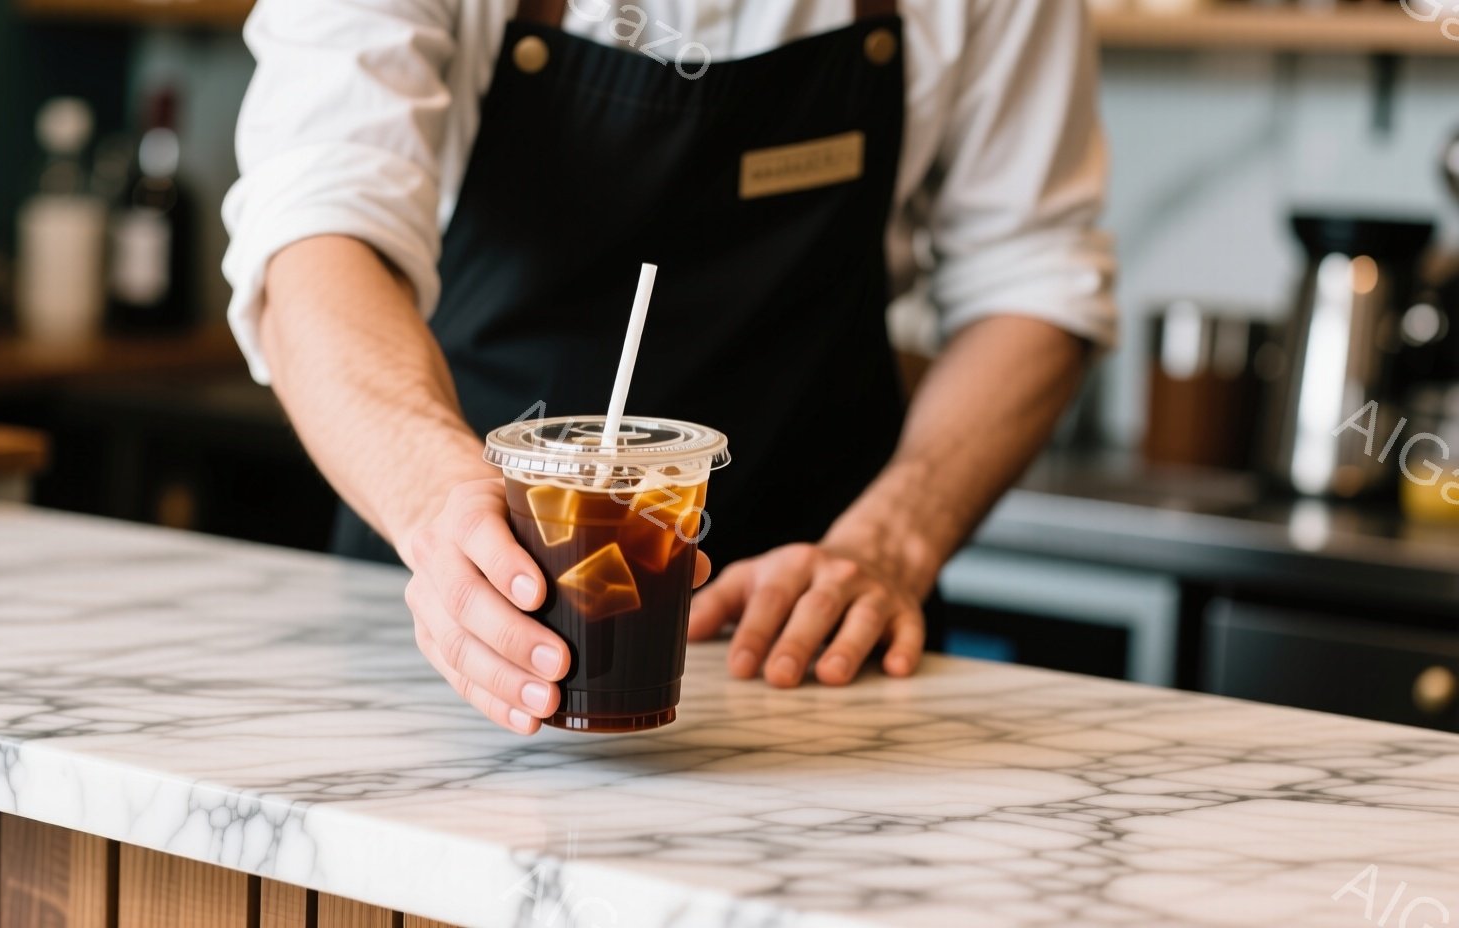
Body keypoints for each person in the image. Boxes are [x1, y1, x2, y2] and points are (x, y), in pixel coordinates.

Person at [223, 0, 1117, 735]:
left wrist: (891, 541)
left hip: (812, 657)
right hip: (447, 618)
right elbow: (313, 230)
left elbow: (1032, 277)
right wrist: (434, 504)